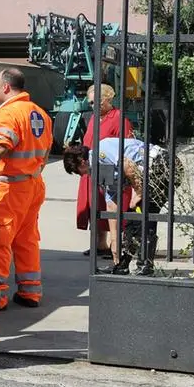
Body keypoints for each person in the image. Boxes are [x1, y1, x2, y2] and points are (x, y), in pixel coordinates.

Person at [0, 68, 53, 310]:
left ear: (6, 88)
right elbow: (47, 149)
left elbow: (0, 148)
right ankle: (30, 293)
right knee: (27, 239)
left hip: (10, 188)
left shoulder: (9, 114)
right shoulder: (40, 113)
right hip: (33, 184)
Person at [62, 137, 184, 275]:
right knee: (135, 219)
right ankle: (122, 264)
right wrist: (114, 240)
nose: (82, 175)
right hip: (151, 173)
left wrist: (138, 193)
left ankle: (145, 266)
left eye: (78, 171)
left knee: (143, 215)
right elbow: (112, 204)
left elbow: (128, 165)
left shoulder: (102, 151)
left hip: (163, 166)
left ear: (82, 162)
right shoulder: (100, 169)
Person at [76, 84, 134, 258]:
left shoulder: (119, 118)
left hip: (110, 169)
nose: (94, 106)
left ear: (108, 99)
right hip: (91, 167)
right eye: (91, 103)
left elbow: (127, 146)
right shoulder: (94, 118)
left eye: (97, 102)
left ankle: (115, 244)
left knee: (112, 206)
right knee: (94, 206)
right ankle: (100, 243)